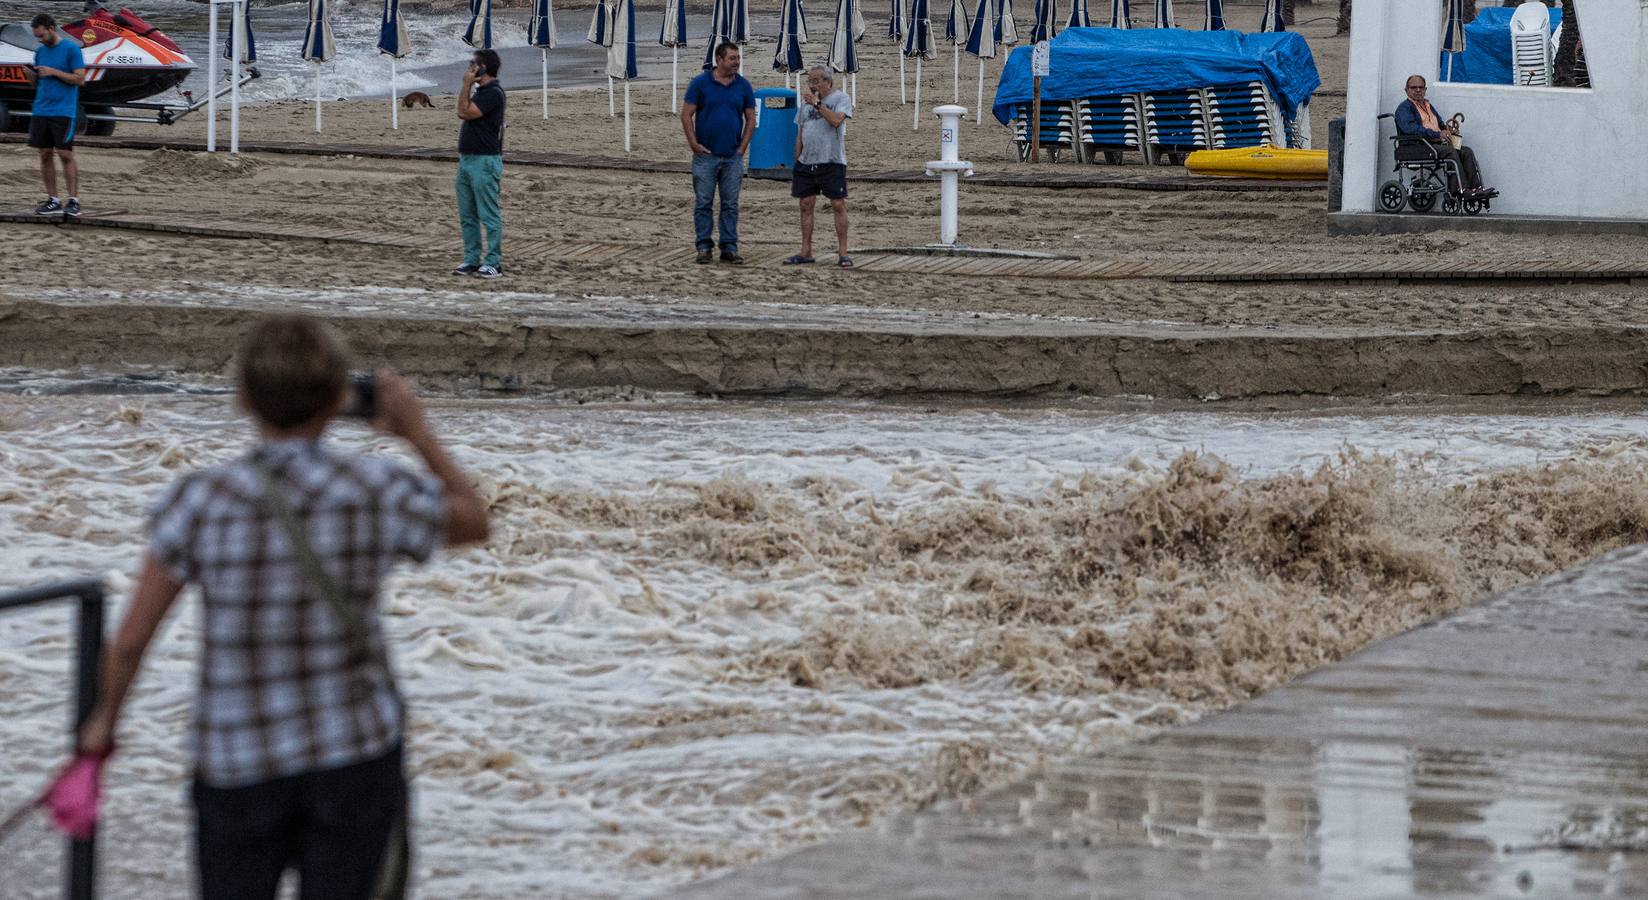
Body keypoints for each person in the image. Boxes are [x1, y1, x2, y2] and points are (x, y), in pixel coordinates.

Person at [76, 314, 490, 900]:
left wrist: (103, 726)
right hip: (353, 749)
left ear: (245, 398)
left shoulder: (200, 500)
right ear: (336, 399)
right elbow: (474, 520)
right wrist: (416, 432)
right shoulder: (374, 489)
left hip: (236, 754)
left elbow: (131, 641)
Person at [681, 42, 756, 265]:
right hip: (706, 155)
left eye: (738, 58)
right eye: (732, 58)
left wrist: (742, 147)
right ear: (719, 60)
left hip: (732, 156)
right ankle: (704, 247)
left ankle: (729, 248)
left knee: (730, 204)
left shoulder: (743, 86)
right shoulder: (700, 83)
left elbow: (751, 119)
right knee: (704, 202)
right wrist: (693, 143)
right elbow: (686, 115)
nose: (737, 62)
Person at [785, 66, 854, 269]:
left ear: (828, 82)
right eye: (810, 81)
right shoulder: (804, 105)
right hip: (807, 162)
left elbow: (835, 121)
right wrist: (797, 160)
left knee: (838, 204)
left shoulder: (840, 99)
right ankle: (806, 251)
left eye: (816, 81)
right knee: (805, 204)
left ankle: (843, 253)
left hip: (831, 160)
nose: (812, 85)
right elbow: (801, 132)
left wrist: (817, 104)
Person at [1394, 74, 1496, 199]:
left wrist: (1447, 130)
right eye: (1413, 87)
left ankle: (1476, 188)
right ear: (1406, 90)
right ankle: (1460, 190)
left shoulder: (1428, 105)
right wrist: (1437, 134)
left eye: (1421, 87)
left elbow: (1440, 124)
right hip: (1417, 146)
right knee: (1450, 152)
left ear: (1425, 90)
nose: (1418, 90)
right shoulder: (1404, 108)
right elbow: (1411, 129)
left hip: (1433, 144)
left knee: (1466, 151)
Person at [25, 13, 86, 219]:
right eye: (36, 36)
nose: (39, 40)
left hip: (63, 110)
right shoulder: (40, 52)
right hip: (41, 109)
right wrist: (32, 77)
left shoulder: (71, 49)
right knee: (44, 154)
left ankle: (74, 200)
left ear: (52, 28)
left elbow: (79, 80)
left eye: (41, 35)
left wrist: (53, 72)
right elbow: (38, 85)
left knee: (65, 153)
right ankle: (53, 199)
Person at [453, 48, 505, 278]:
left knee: (488, 214)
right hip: (468, 159)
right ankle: (471, 259)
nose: (469, 68)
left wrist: (465, 84)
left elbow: (463, 112)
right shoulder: (481, 92)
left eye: (472, 64)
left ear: (483, 68)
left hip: (484, 161)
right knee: (468, 214)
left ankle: (493, 261)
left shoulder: (492, 93)